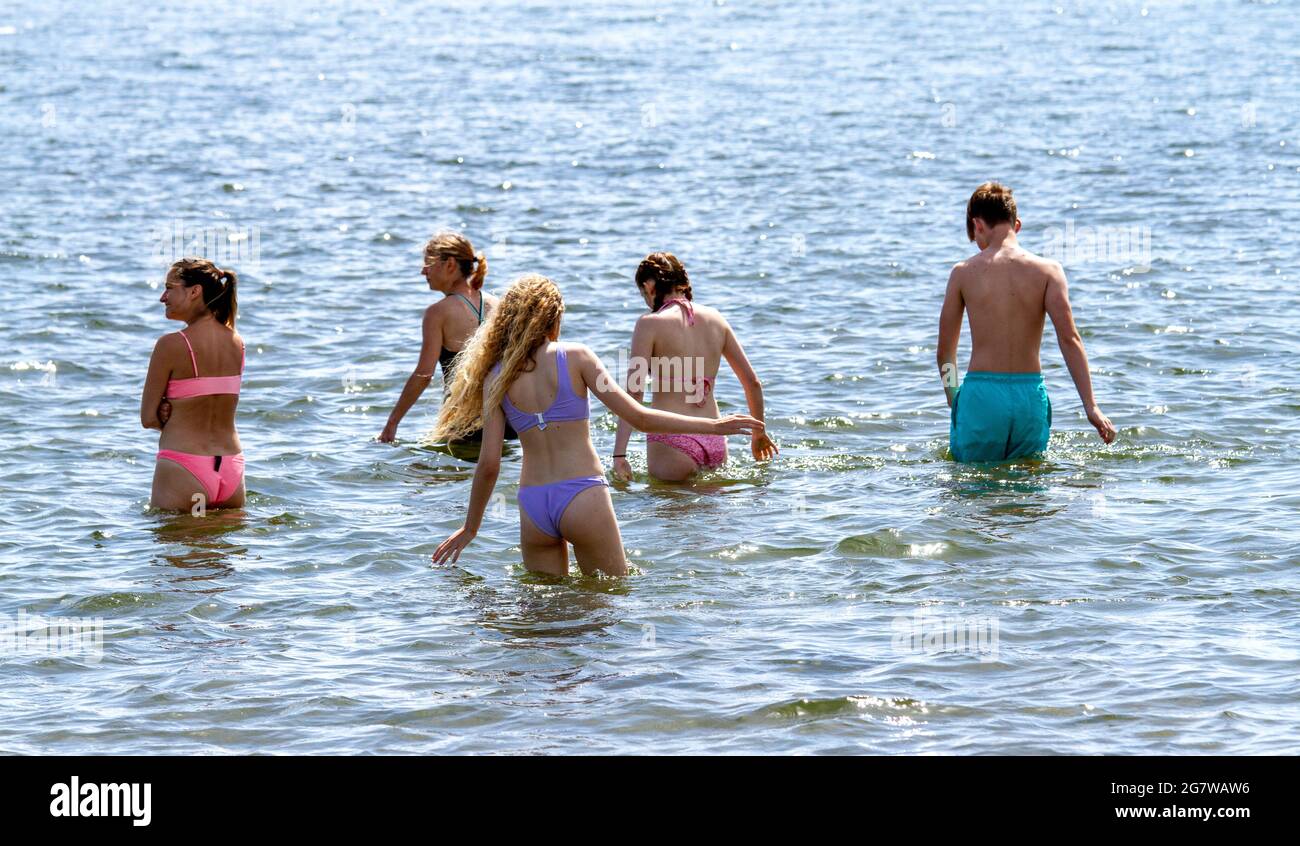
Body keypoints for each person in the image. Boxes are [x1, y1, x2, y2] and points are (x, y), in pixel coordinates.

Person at [429, 274, 764, 576]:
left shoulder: (494, 378)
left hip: (533, 504)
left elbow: (489, 465)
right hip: (582, 495)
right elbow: (639, 417)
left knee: (543, 616)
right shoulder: (576, 357)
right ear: (554, 317)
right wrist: (715, 426)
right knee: (609, 604)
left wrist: (470, 528)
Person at [937, 182, 1117, 462]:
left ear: (977, 225)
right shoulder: (1049, 271)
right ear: (1016, 225)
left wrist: (953, 396)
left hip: (981, 397)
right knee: (1029, 491)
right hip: (1029, 397)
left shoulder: (963, 273)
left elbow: (945, 353)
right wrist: (1091, 406)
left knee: (970, 493)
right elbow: (1070, 340)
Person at [612, 253, 777, 482]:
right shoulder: (716, 318)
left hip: (671, 440)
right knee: (709, 515)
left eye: (643, 294)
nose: (647, 302)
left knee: (669, 514)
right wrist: (759, 433)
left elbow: (635, 391)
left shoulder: (649, 324)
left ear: (650, 287)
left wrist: (619, 454)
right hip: (715, 439)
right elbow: (752, 382)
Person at [379, 233, 515, 444]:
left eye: (429, 264)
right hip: (508, 422)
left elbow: (424, 375)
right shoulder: (498, 305)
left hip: (464, 424)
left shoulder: (438, 313)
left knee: (423, 474)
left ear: (450, 264)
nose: (423, 271)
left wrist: (392, 423)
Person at [141, 258, 246, 510]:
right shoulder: (237, 343)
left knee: (175, 545)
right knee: (224, 548)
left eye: (169, 287)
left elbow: (148, 418)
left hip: (184, 469)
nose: (162, 297)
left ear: (194, 291)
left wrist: (167, 411)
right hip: (231, 469)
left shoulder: (171, 345)